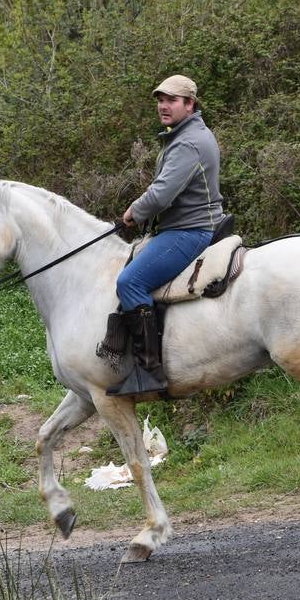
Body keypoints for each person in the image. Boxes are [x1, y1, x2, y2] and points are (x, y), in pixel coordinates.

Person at [97, 74, 223, 397]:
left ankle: (149, 370)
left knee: (130, 282)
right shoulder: (183, 136)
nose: (163, 106)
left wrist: (132, 213)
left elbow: (162, 193)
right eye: (160, 100)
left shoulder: (190, 142)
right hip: (183, 226)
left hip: (189, 231)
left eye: (171, 100)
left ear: (190, 104)